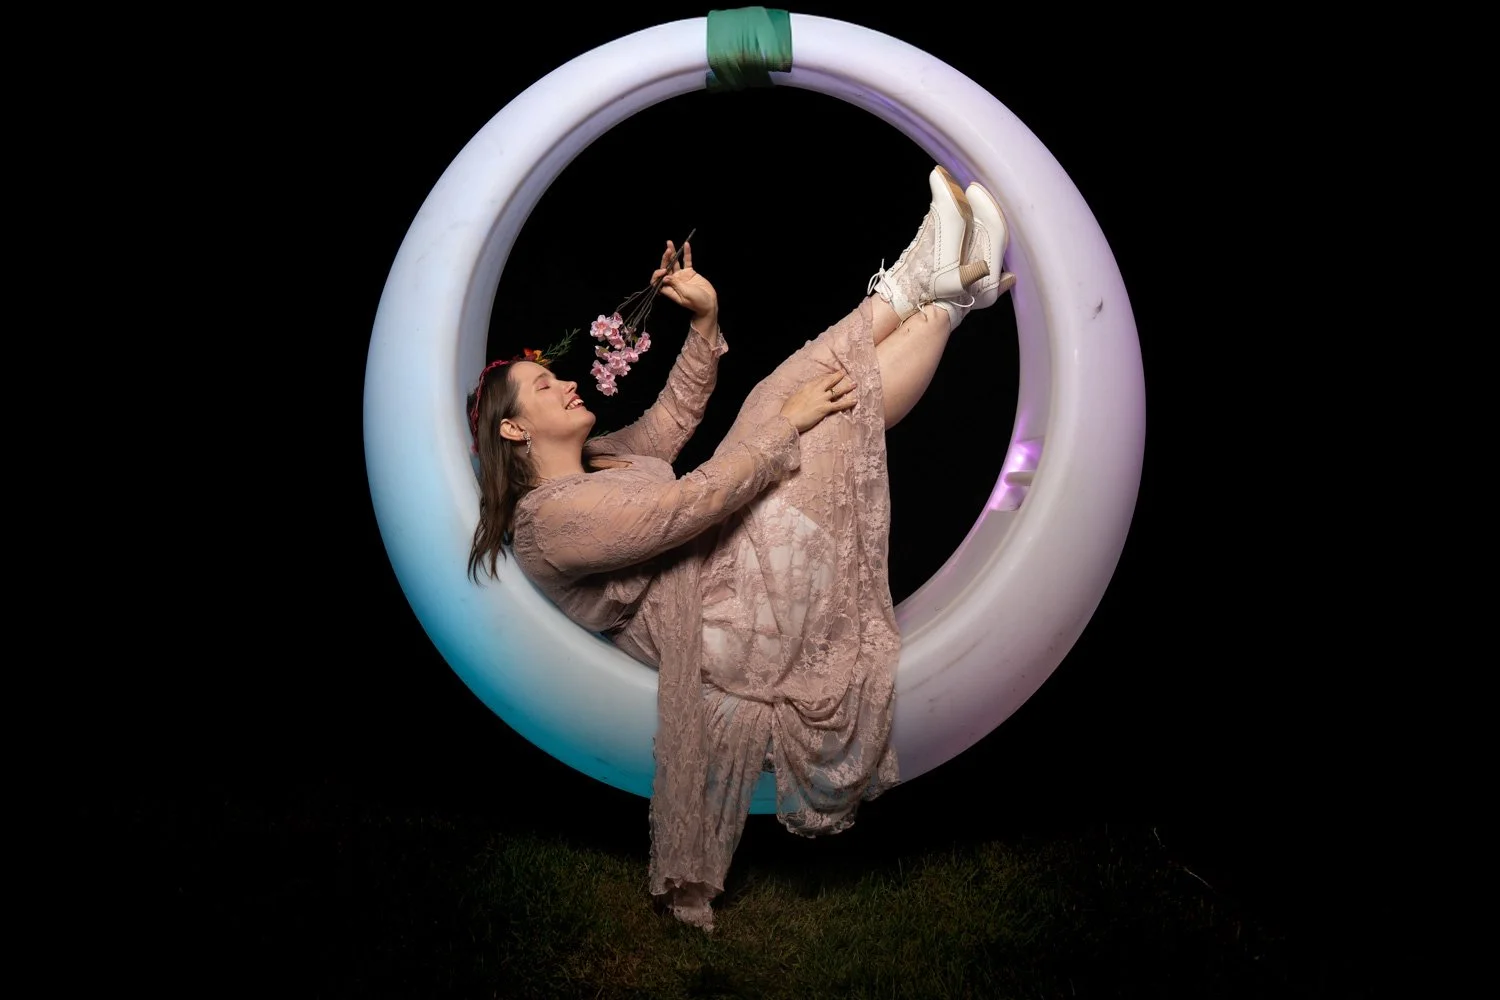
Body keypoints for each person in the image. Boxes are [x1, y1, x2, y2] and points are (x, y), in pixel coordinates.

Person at [465, 165, 1016, 931]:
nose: (564, 386)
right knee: (803, 423)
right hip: (727, 625)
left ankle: (941, 276)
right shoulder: (547, 523)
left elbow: (671, 426)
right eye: (543, 387)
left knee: (768, 402)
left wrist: (703, 320)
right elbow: (683, 509)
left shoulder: (604, 460)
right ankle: (951, 294)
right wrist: (784, 428)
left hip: (724, 567)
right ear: (513, 431)